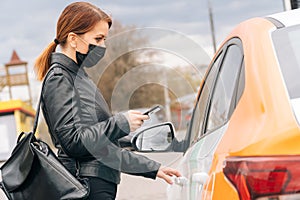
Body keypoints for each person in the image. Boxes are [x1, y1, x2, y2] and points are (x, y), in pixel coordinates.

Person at [34, 2, 181, 199]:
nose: (103, 46)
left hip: (96, 185)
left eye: (104, 39)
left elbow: (101, 147)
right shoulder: (60, 78)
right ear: (73, 39)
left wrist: (153, 168)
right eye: (98, 38)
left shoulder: (79, 77)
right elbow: (73, 142)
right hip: (86, 186)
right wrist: (121, 123)